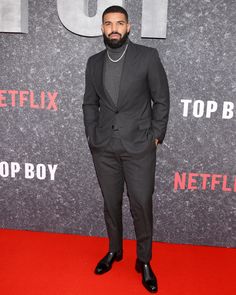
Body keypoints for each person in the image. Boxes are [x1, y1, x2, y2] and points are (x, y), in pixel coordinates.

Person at [82, 5, 169, 293]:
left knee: (141, 204)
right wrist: (93, 136)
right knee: (111, 204)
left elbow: (162, 99)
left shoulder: (147, 57)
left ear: (129, 27)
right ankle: (114, 250)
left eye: (120, 23)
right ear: (103, 28)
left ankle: (144, 261)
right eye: (109, 23)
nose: (114, 28)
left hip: (139, 148)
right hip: (104, 147)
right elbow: (89, 103)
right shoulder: (94, 62)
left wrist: (155, 136)